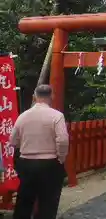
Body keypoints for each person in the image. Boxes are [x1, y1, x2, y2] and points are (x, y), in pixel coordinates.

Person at [9, 84, 69, 219]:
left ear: (34, 97)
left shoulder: (23, 116)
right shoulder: (57, 116)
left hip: (26, 163)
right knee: (48, 202)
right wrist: (61, 157)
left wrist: (24, 146)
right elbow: (63, 140)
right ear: (51, 96)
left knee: (24, 200)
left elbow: (13, 140)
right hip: (49, 163)